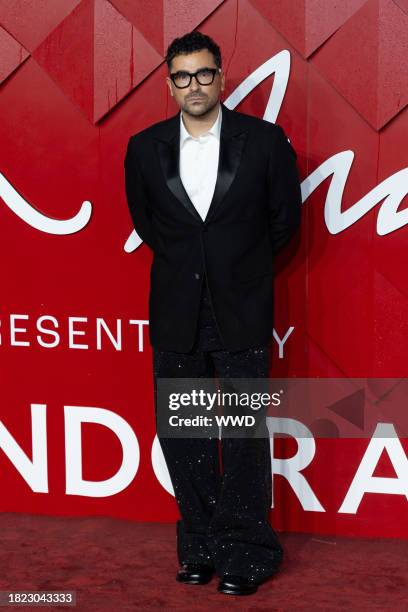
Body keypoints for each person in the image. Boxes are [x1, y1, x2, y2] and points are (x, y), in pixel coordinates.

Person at [124, 31, 302, 596]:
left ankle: (246, 551)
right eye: (182, 76)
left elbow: (284, 224)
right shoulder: (144, 147)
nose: (194, 85)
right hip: (177, 309)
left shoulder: (266, 141)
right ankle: (199, 547)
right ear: (169, 84)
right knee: (185, 433)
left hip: (242, 309)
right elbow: (151, 226)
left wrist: (236, 270)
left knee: (244, 433)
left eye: (204, 74)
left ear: (222, 79)